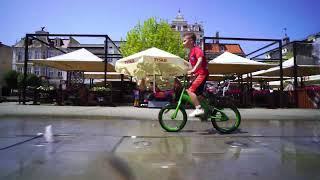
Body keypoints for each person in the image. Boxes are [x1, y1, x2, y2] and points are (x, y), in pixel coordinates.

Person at [183, 32, 209, 117]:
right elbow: (192, 66)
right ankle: (207, 108)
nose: (183, 43)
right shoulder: (190, 53)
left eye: (184, 41)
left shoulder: (196, 49)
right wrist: (191, 74)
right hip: (199, 74)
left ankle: (198, 109)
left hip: (202, 74)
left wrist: (193, 70)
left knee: (190, 91)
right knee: (197, 95)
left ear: (191, 41)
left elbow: (200, 60)